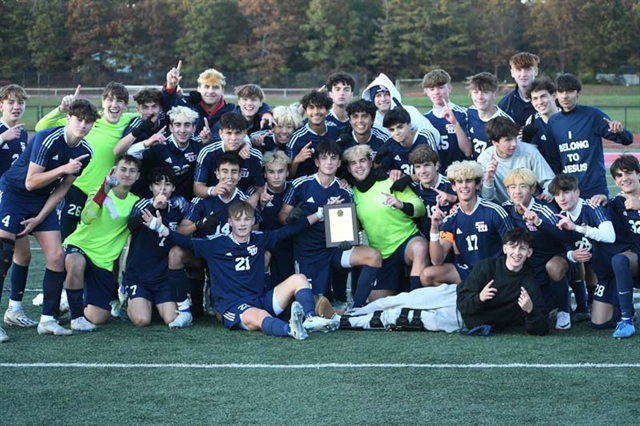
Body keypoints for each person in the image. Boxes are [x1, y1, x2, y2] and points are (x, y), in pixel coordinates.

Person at [142, 200, 340, 339]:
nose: (243, 224)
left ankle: (310, 319)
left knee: (299, 278)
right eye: (238, 219)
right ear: (230, 222)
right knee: (262, 317)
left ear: (253, 221)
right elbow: (184, 241)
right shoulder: (216, 244)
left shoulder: (259, 239)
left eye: (247, 219)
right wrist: (159, 228)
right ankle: (291, 330)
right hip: (232, 306)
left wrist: (320, 214)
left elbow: (288, 231)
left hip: (259, 299)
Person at [0, 99, 98, 338]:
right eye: (78, 120)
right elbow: (30, 182)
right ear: (68, 119)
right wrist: (63, 168)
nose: (82, 125)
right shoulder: (47, 137)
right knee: (3, 255)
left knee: (57, 256)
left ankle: (47, 320)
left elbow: (62, 190)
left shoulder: (86, 151)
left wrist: (39, 219)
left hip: (42, 201)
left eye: (88, 122)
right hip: (14, 194)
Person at [279, 140, 383, 302]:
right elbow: (283, 217)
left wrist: (350, 239)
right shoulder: (301, 184)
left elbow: (351, 226)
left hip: (334, 249)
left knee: (373, 257)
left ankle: (355, 309)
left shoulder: (345, 191)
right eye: (325, 158)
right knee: (315, 304)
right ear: (317, 162)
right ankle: (333, 304)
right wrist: (295, 217)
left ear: (339, 162)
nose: (329, 162)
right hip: (309, 251)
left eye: (333, 158)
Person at [35, 83, 137, 241]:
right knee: (65, 241)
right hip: (75, 190)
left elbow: (152, 113)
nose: (115, 105)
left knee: (95, 244)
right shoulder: (87, 121)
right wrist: (61, 109)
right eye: (110, 100)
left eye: (120, 101)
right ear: (103, 102)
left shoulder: (130, 121)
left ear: (125, 105)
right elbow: (41, 127)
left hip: (102, 195)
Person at [63, 155, 141, 331]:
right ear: (114, 171)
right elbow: (87, 218)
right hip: (80, 246)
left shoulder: (135, 202)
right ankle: (76, 317)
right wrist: (103, 191)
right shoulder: (98, 191)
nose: (127, 174)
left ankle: (73, 304)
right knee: (75, 264)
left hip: (103, 261)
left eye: (132, 171)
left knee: (99, 318)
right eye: (123, 169)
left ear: (138, 176)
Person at [343, 145, 427, 304]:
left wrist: (401, 204)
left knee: (420, 248)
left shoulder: (390, 180)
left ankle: (416, 303)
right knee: (378, 303)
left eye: (362, 161)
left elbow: (420, 208)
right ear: (348, 168)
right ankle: (404, 288)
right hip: (382, 254)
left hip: (406, 240)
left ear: (370, 162)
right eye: (353, 163)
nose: (359, 166)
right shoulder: (350, 193)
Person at [549, 174, 631, 330]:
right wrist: (572, 255)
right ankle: (602, 303)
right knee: (598, 324)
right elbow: (564, 248)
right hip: (602, 271)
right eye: (557, 194)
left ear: (577, 192)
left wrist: (577, 228)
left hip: (617, 267)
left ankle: (622, 307)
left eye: (566, 192)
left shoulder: (593, 206)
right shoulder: (561, 217)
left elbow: (609, 236)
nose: (561, 198)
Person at [501, 168, 574, 330]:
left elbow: (566, 237)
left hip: (554, 259)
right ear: (507, 190)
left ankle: (564, 310)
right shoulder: (506, 208)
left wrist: (540, 223)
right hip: (529, 265)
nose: (517, 191)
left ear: (533, 189)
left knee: (553, 267)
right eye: (512, 187)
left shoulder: (544, 209)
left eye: (523, 186)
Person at [421, 161, 513, 286]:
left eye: (468, 181)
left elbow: (514, 246)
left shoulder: (494, 211)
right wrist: (434, 229)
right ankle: (464, 298)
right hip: (468, 272)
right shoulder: (451, 219)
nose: (464, 186)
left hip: (495, 271)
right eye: (459, 181)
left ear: (477, 185)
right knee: (428, 275)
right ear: (453, 186)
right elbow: (437, 260)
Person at [547, 73, 634, 201]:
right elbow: (554, 159)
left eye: (570, 91)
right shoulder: (553, 122)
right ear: (556, 94)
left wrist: (620, 131)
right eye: (561, 91)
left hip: (595, 190)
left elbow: (627, 140)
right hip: (568, 191)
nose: (565, 96)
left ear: (578, 93)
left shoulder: (592, 115)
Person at [125, 167, 189, 327]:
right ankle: (130, 301)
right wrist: (154, 207)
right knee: (142, 320)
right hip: (139, 275)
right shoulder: (142, 204)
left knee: (171, 319)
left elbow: (186, 230)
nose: (162, 188)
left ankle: (151, 303)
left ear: (173, 187)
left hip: (163, 276)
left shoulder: (179, 205)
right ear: (150, 187)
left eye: (167, 184)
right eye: (158, 184)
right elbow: (131, 225)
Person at [456, 227, 550, 336]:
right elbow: (461, 302)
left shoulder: (529, 284)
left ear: (529, 252)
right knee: (431, 298)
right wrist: (479, 298)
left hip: (462, 322)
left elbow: (543, 328)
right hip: (454, 303)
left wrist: (530, 310)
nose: (517, 253)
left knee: (432, 321)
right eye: (513, 247)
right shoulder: (486, 267)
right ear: (505, 249)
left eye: (522, 248)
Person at [0, 84, 36, 337]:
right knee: (2, 258)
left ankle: (14, 309)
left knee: (23, 255)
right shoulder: (4, 132)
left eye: (20, 103)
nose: (16, 107)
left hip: (13, 203)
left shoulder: (21, 134)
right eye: (11, 102)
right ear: (1, 104)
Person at [161, 62, 274, 135]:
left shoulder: (231, 111)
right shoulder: (188, 105)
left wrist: (266, 112)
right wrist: (171, 87)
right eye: (206, 87)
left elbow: (251, 108)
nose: (210, 91)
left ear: (222, 91)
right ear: (198, 88)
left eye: (215, 87)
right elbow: (167, 104)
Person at [126, 105, 203, 200]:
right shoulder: (159, 143)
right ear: (171, 128)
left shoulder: (198, 146)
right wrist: (146, 143)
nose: (182, 130)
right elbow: (129, 153)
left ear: (194, 128)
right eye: (178, 125)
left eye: (187, 125)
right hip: (155, 198)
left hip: (184, 201)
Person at [478, 116, 554, 204]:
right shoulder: (485, 159)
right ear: (495, 142)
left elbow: (549, 180)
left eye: (515, 138)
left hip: (530, 206)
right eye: (508, 140)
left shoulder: (529, 151)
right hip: (502, 209)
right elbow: (487, 198)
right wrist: (489, 178)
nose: (514, 144)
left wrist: (547, 193)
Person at [249, 150, 295, 289]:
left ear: (287, 172)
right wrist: (260, 208)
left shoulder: (295, 189)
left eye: (280, 171)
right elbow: (247, 227)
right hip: (264, 243)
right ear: (265, 174)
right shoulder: (255, 193)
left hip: (288, 243)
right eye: (271, 172)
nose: (276, 176)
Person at [194, 112, 264, 198]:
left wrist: (251, 201)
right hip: (213, 201)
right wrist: (213, 190)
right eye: (229, 133)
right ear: (221, 133)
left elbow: (259, 188)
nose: (233, 138)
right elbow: (197, 187)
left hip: (241, 203)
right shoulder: (207, 153)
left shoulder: (255, 156)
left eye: (238, 133)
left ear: (245, 133)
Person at [608, 155, 640, 338]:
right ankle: (627, 319)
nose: (624, 178)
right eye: (619, 176)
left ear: (638, 174)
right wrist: (599, 200)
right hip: (638, 255)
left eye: (628, 173)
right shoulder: (618, 203)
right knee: (620, 260)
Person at [361, 73, 440, 143]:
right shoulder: (371, 119)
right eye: (378, 95)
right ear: (372, 99)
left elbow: (433, 134)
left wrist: (410, 135)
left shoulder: (410, 111)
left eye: (386, 94)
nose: (383, 99)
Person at [421, 69, 473, 171]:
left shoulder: (464, 114)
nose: (436, 92)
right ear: (426, 92)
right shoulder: (424, 120)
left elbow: (468, 151)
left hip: (461, 175)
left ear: (449, 88)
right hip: (437, 176)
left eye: (440, 88)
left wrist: (455, 123)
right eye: (431, 89)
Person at [286, 90, 341, 178]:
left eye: (320, 107)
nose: (316, 112)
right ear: (306, 111)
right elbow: (288, 176)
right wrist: (297, 160)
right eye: (311, 107)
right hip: (305, 187)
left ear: (327, 110)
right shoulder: (297, 138)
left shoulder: (334, 129)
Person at [406, 145, 457, 237]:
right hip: (427, 239)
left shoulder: (451, 184)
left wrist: (456, 201)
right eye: (418, 167)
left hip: (453, 238)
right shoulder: (413, 188)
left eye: (426, 165)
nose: (422, 171)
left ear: (436, 165)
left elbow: (473, 202)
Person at [378, 107, 438, 179]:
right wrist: (378, 159)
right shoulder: (390, 144)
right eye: (392, 130)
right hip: (406, 189)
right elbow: (380, 168)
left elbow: (435, 169)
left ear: (409, 125)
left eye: (400, 127)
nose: (396, 133)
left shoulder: (424, 137)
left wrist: (410, 179)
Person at [465, 72, 513, 157]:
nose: (480, 97)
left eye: (485, 92)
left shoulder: (505, 122)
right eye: (475, 92)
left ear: (494, 94)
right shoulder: (470, 113)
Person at [521, 77, 562, 174]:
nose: (540, 102)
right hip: (545, 177)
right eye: (535, 98)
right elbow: (530, 156)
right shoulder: (532, 121)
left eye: (543, 96)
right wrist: (525, 141)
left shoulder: (567, 118)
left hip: (568, 178)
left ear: (554, 95)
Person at [498, 52, 540, 126]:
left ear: (536, 71)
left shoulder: (549, 101)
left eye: (528, 69)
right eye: (518, 69)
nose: (523, 74)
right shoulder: (505, 104)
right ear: (512, 73)